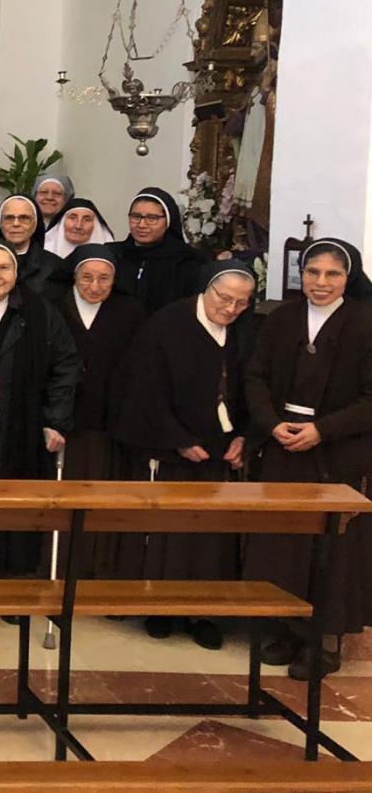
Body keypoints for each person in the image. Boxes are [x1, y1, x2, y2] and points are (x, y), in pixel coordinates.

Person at [244, 240, 372, 679]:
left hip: (338, 450)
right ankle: (290, 629)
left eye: (332, 275)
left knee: (333, 548)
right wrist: (270, 423)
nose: (320, 283)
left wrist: (323, 430)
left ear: (348, 277)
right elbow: (256, 376)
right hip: (283, 442)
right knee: (286, 543)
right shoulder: (281, 318)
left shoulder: (365, 322)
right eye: (312, 273)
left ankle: (326, 639)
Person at [113, 262, 256, 651]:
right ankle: (162, 608)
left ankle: (205, 614)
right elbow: (144, 387)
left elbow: (256, 385)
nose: (230, 310)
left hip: (222, 448)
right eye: (224, 299)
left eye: (241, 304)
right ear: (206, 289)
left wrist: (245, 434)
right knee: (169, 531)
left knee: (212, 537)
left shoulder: (247, 328)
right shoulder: (167, 324)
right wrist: (175, 438)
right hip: (174, 447)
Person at [0, 243, 80, 576]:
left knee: (16, 502)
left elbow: (66, 363)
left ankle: (12, 582)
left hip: (24, 422)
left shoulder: (41, 312)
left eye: (4, 268)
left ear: (16, 274)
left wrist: (55, 421)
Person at [54, 245, 145, 578]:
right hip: (64, 424)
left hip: (111, 425)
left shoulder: (130, 310)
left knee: (105, 500)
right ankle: (60, 573)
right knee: (62, 502)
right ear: (74, 276)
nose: (95, 286)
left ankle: (100, 574)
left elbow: (138, 368)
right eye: (87, 277)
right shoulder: (54, 307)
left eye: (104, 278)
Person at [111, 186, 209, 315]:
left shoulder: (189, 261)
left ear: (168, 221)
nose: (142, 225)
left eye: (152, 218)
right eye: (136, 216)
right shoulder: (113, 254)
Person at [0, 194, 67, 302]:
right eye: (9, 218)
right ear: (0, 223)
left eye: (24, 218)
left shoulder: (54, 267)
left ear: (35, 223)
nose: (16, 224)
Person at [44, 197, 116, 259]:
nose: (78, 226)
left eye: (87, 220)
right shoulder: (43, 254)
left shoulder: (111, 257)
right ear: (62, 222)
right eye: (72, 218)